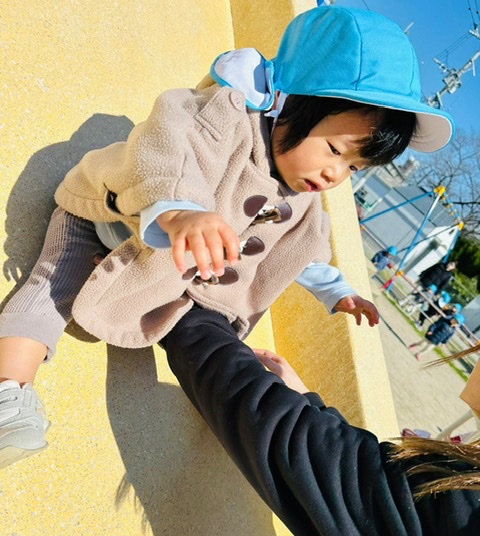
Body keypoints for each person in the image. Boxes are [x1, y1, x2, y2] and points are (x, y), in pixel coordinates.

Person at [0, 6, 455, 469]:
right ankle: (10, 394)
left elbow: (301, 253)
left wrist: (337, 291)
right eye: (334, 150)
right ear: (291, 103)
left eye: (353, 167)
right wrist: (181, 210)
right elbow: (167, 144)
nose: (334, 173)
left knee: (189, 314)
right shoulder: (227, 120)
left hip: (158, 270)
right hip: (106, 222)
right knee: (52, 286)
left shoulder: (303, 200)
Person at [162, 305, 480, 536]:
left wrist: (186, 312)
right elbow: (366, 489)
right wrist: (312, 406)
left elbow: (284, 438)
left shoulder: (464, 511)